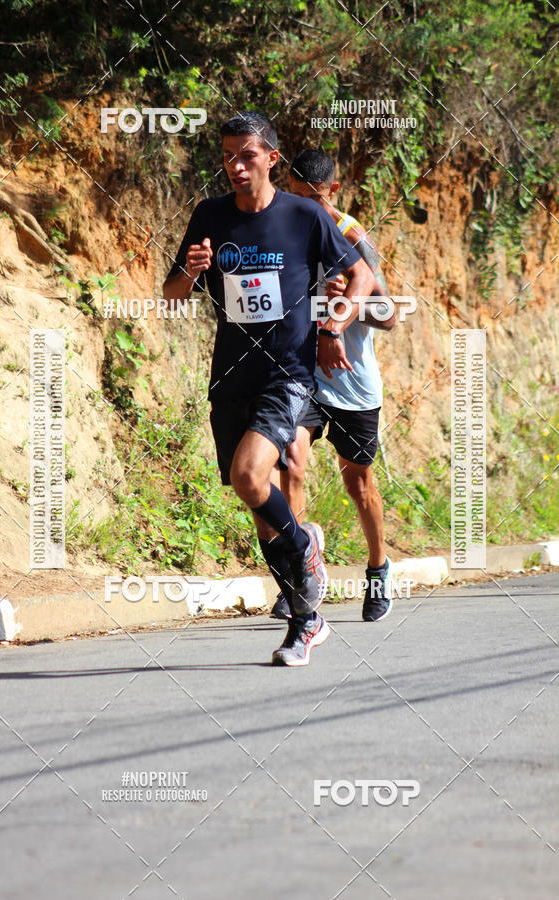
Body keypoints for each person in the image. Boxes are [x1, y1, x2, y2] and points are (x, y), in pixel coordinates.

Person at [163, 114, 377, 665]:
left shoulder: (303, 214)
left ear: (271, 159)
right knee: (258, 505)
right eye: (228, 156)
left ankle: (304, 547)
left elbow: (363, 277)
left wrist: (332, 326)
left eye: (246, 156)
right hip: (232, 376)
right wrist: (191, 271)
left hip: (288, 374)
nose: (235, 166)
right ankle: (307, 619)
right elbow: (170, 295)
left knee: (249, 475)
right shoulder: (209, 215)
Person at [270, 148, 396, 623]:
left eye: (311, 198)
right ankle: (301, 572)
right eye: (294, 196)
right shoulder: (285, 228)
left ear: (332, 192)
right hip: (302, 376)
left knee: (358, 482)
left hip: (352, 379)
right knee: (291, 463)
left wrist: (348, 305)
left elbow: (388, 315)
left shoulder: (351, 235)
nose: (301, 206)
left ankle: (379, 567)